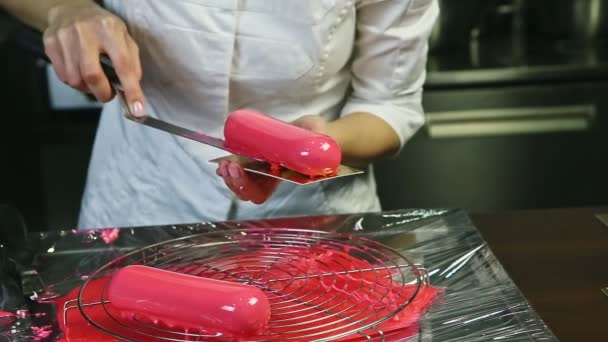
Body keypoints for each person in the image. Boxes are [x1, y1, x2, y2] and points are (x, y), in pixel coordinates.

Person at [1, 0, 439, 228]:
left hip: (310, 220)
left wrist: (313, 148)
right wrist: (68, 10)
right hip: (140, 203)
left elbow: (389, 105)